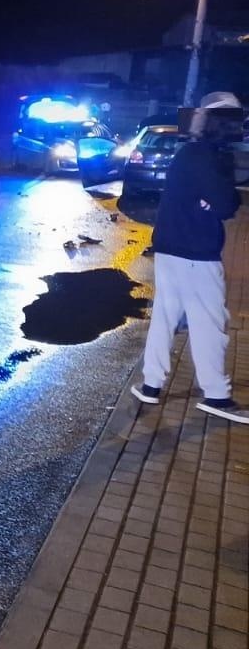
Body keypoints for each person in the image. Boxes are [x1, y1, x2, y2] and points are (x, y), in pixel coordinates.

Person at [130, 90, 247, 421]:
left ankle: (151, 385)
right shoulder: (204, 156)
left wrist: (212, 201)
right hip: (196, 252)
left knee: (165, 317)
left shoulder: (191, 152)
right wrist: (215, 202)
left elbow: (218, 201)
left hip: (171, 248)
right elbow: (227, 204)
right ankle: (217, 395)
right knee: (209, 323)